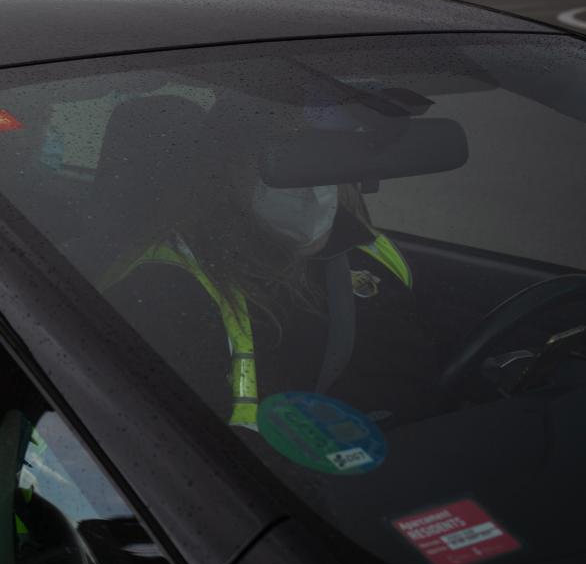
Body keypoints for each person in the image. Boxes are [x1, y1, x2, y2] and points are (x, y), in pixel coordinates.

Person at [99, 97, 435, 430]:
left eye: (323, 156)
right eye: (286, 159)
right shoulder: (168, 290)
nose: (310, 183)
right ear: (225, 170)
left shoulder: (370, 250)